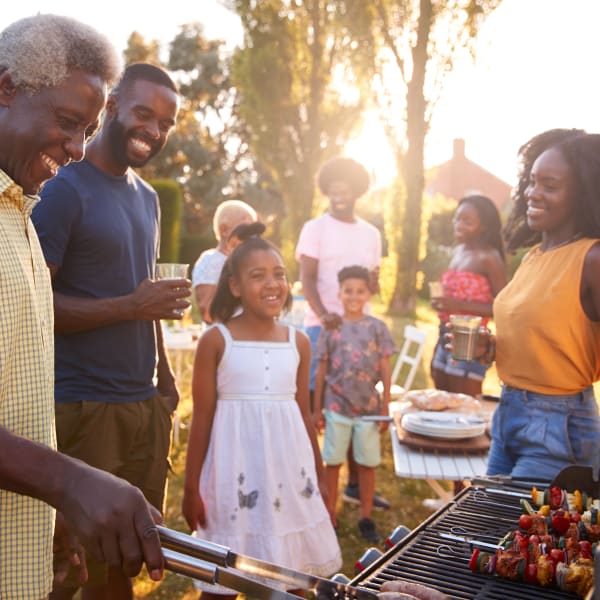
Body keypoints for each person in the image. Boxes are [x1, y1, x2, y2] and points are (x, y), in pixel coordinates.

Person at [0, 14, 165, 600]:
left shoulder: (20, 210)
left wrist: (52, 502)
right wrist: (66, 479)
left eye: (86, 129)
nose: (76, 148)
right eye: (69, 123)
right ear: (6, 88)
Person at [31, 62, 189, 599]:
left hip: (142, 405)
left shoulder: (148, 197)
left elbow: (145, 301)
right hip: (83, 407)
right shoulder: (62, 188)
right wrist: (129, 305)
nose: (154, 130)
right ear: (114, 105)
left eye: (166, 123)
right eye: (144, 113)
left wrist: (165, 384)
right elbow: (33, 308)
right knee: (69, 568)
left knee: (123, 561)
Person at [182, 222, 341, 599]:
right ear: (234, 286)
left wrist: (320, 477)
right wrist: (191, 486)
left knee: (296, 579)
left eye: (279, 275)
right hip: (232, 478)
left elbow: (304, 415)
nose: (272, 284)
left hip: (290, 476)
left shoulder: (298, 342)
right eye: (258, 276)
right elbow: (201, 418)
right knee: (220, 583)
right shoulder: (216, 340)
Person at [464, 129, 600, 481]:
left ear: (582, 194)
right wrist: (491, 349)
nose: (532, 194)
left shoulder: (592, 258)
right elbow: (551, 339)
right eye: (531, 182)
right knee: (491, 528)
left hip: (558, 429)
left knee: (518, 531)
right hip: (508, 414)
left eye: (549, 186)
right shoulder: (533, 258)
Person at [295, 156, 390, 510]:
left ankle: (353, 486)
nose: (339, 195)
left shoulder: (370, 234)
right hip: (322, 329)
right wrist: (324, 313)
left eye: (345, 189)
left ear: (356, 191)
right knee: (318, 406)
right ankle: (311, 484)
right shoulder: (315, 228)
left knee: (357, 404)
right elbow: (306, 277)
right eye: (333, 189)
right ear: (326, 190)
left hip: (359, 333)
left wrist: (370, 290)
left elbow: (371, 282)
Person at [313, 265, 397, 543]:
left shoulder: (377, 328)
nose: (353, 296)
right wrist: (316, 409)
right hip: (336, 405)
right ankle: (329, 515)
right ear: (339, 292)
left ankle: (366, 517)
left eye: (360, 291)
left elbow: (385, 368)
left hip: (369, 408)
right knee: (333, 461)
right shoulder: (332, 328)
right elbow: (321, 370)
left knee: (367, 463)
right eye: (348, 290)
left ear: (368, 293)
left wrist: (385, 405)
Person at [430, 195, 507, 397]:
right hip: (444, 334)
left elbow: (503, 309)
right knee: (440, 397)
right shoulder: (458, 252)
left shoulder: (489, 258)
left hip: (471, 340)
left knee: (462, 404)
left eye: (467, 221)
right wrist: (441, 303)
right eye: (457, 218)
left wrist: (456, 304)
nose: (458, 224)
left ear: (484, 227)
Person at [192, 199, 257, 322]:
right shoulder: (210, 260)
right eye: (246, 229)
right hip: (223, 336)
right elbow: (207, 311)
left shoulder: (250, 261)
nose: (252, 236)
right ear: (224, 230)